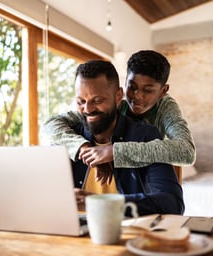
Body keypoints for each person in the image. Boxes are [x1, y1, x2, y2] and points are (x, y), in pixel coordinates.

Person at [41, 50, 195, 184]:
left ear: (163, 91)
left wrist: (115, 152)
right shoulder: (116, 103)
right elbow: (51, 125)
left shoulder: (166, 107)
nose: (137, 96)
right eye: (132, 87)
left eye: (147, 90)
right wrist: (85, 148)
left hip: (148, 177)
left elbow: (186, 151)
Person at [60, 60, 184, 216]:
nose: (88, 109)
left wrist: (102, 204)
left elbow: (172, 203)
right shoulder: (67, 139)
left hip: (128, 235)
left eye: (97, 101)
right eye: (81, 101)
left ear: (119, 95)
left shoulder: (145, 137)